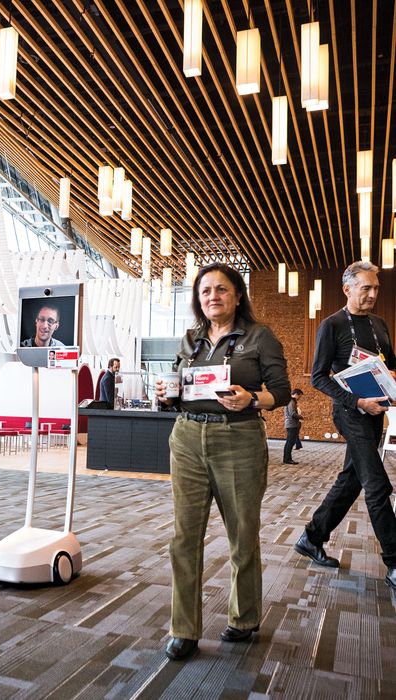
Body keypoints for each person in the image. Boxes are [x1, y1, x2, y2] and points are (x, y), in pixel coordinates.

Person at [155, 262, 290, 661]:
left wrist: (253, 399)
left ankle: (245, 617)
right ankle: (184, 628)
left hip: (239, 439)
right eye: (205, 291)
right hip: (187, 437)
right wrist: (166, 391)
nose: (212, 296)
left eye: (221, 289)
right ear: (198, 300)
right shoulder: (191, 338)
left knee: (242, 534)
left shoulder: (259, 336)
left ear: (237, 295)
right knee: (183, 536)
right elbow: (178, 386)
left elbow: (280, 391)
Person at [294, 261, 396, 590]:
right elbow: (320, 377)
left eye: (376, 288)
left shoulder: (380, 325)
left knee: (352, 480)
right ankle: (395, 565)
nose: (372, 294)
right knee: (377, 485)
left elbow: (388, 366)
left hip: (376, 411)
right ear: (347, 289)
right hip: (350, 412)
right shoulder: (333, 325)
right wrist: (356, 402)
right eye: (365, 287)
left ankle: (312, 537)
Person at [283, 388, 304, 464]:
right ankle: (287, 459)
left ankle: (287, 459)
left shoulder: (290, 401)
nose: (300, 398)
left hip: (291, 424)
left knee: (290, 442)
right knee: (290, 442)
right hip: (292, 424)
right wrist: (301, 417)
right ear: (296, 394)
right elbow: (293, 414)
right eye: (300, 396)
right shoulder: (291, 402)